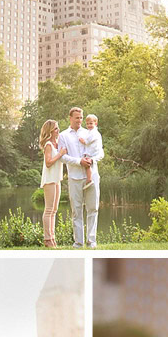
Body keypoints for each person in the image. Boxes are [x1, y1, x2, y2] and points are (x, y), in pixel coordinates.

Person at [56, 107, 99, 250]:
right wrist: (78, 161)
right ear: (70, 118)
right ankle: (78, 243)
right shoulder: (63, 136)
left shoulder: (89, 132)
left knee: (93, 208)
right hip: (74, 177)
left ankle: (91, 241)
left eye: (81, 118)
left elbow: (100, 152)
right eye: (77, 118)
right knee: (76, 211)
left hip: (91, 175)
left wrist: (91, 161)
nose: (80, 120)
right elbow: (62, 157)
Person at [39, 118, 65, 246]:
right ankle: (47, 239)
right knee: (49, 209)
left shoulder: (57, 143)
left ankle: (52, 238)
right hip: (49, 179)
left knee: (54, 209)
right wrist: (60, 154)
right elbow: (48, 163)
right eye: (55, 128)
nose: (58, 130)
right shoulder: (48, 145)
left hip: (57, 179)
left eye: (57, 127)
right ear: (50, 131)